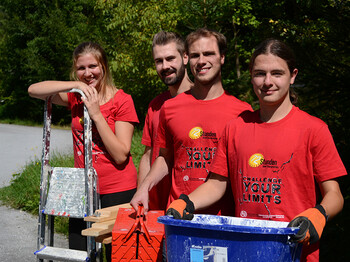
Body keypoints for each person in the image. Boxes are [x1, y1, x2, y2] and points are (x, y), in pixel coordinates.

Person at [166, 39, 347, 262]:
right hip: (245, 249)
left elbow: (335, 194)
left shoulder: (314, 130)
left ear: (293, 76)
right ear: (251, 75)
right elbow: (217, 184)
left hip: (293, 250)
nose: (267, 82)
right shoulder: (235, 127)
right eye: (260, 73)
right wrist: (186, 202)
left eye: (277, 73)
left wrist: (318, 214)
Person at [28, 42, 139, 262]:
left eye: (93, 66)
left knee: (116, 255)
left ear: (104, 66)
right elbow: (34, 90)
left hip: (117, 189)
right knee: (79, 252)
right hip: (83, 189)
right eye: (81, 68)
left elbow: (120, 154)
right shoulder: (75, 97)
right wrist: (74, 85)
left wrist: (97, 114)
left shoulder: (122, 100)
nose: (88, 73)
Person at [130, 28, 252, 215]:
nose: (202, 61)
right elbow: (164, 157)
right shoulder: (170, 108)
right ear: (187, 58)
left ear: (222, 57)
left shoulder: (243, 112)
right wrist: (144, 187)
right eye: (195, 55)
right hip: (177, 215)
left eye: (209, 54)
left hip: (222, 219)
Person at [138, 31, 193, 211]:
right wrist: (141, 194)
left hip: (187, 207)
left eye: (170, 58)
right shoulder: (155, 106)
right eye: (159, 61)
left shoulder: (202, 101)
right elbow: (147, 156)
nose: (165, 66)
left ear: (185, 57)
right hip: (156, 206)